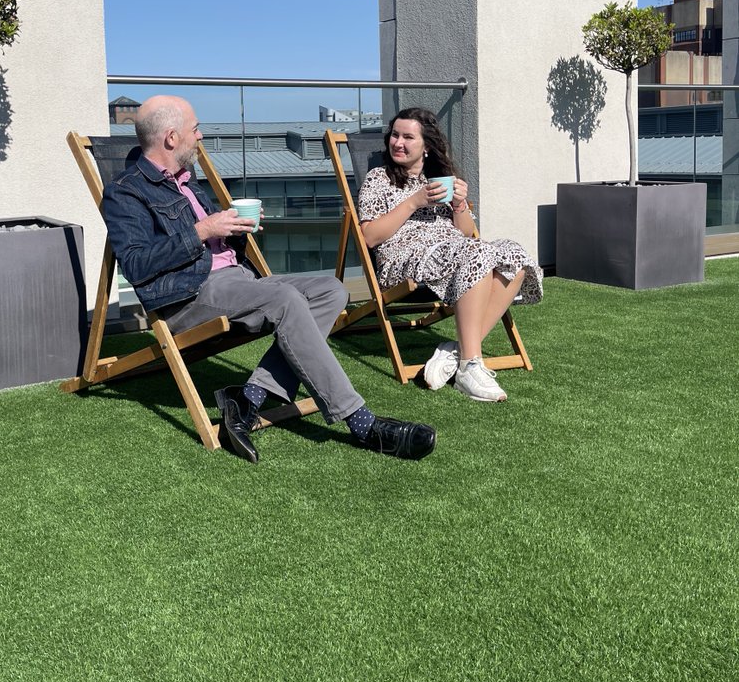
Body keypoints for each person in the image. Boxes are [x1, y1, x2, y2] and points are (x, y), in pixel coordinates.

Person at [102, 96, 435, 463]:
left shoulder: (185, 179)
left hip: (235, 280)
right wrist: (202, 230)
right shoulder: (125, 192)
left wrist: (234, 229)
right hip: (189, 296)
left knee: (331, 290)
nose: (200, 137)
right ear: (170, 138)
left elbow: (215, 242)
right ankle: (362, 423)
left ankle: (248, 398)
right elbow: (136, 265)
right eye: (195, 129)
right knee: (285, 301)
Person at [357, 107, 543, 403]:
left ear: (426, 146)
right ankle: (470, 365)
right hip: (405, 259)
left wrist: (459, 204)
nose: (398, 143)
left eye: (408, 137)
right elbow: (369, 236)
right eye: (395, 135)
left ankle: (455, 352)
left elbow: (467, 232)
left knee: (514, 257)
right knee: (476, 254)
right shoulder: (379, 178)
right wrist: (413, 202)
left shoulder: (440, 178)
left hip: (454, 251)